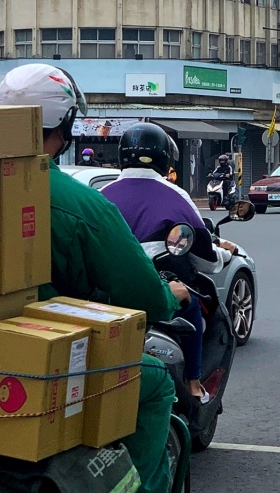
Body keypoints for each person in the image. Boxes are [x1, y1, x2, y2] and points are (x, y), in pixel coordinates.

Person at [0, 64, 186, 493]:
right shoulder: (81, 203)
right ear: (64, 126)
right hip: (41, 353)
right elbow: (140, 293)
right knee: (157, 381)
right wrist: (168, 295)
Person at [102, 123, 238, 403]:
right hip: (155, 292)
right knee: (190, 307)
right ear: (165, 158)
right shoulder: (177, 196)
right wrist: (224, 253)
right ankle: (192, 382)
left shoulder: (102, 194)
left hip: (105, 294)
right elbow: (207, 262)